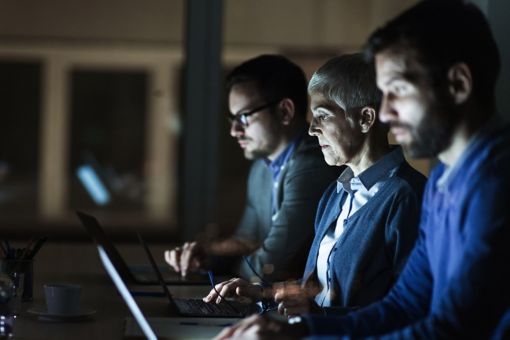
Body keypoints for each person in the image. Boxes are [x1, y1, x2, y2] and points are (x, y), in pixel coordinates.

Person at [215, 1, 510, 339]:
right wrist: (299, 331)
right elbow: (404, 306)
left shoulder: (497, 184)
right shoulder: (444, 180)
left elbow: (452, 330)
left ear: (458, 84)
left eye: (397, 91)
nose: (384, 113)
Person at [204, 53, 426, 317]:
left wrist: (320, 318)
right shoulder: (335, 194)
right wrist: (261, 292)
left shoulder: (407, 197)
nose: (312, 130)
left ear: (366, 119)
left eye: (323, 116)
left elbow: (414, 311)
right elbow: (316, 289)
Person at [165, 55, 339, 282]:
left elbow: (268, 267)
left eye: (244, 117)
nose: (234, 130)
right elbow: (246, 239)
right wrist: (208, 257)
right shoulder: (261, 166)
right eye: (232, 119)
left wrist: (228, 263)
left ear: (285, 112)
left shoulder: (312, 166)